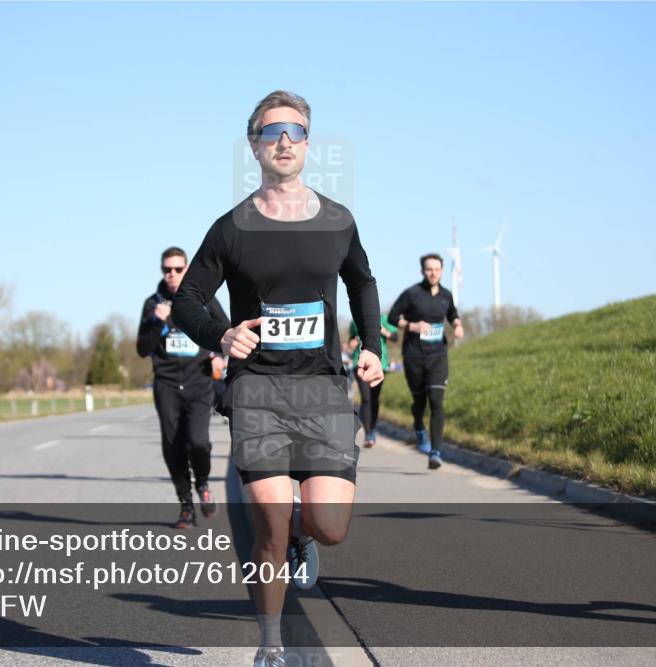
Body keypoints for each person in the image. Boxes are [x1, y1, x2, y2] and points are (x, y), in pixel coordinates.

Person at [172, 90, 383, 667]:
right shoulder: (232, 227)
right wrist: (221, 334)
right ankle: (270, 644)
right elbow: (189, 297)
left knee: (330, 524)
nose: (284, 140)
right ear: (254, 146)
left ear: (309, 144)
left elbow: (362, 283)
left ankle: (304, 537)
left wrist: (372, 345)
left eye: (295, 130)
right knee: (269, 518)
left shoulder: (338, 220)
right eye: (272, 131)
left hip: (322, 387)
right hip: (257, 389)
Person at [137, 247, 230, 528]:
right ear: (162, 271)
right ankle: (186, 505)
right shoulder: (153, 304)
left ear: (187, 269)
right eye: (168, 269)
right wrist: (156, 321)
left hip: (199, 381)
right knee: (172, 446)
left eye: (178, 269)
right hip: (166, 384)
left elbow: (225, 330)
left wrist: (218, 353)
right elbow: (142, 349)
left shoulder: (202, 299)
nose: (173, 274)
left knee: (198, 442)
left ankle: (202, 483)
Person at [387, 253, 464, 469]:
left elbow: (452, 313)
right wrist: (411, 326)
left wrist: (457, 325)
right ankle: (419, 427)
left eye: (437, 269)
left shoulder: (446, 295)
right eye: (429, 269)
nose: (433, 273)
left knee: (437, 401)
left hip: (438, 355)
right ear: (423, 271)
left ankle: (436, 452)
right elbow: (393, 316)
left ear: (441, 271)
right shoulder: (412, 294)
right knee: (419, 401)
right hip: (414, 355)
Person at [347, 315, 398, 447]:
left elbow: (395, 337)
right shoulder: (355, 320)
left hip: (380, 364)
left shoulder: (384, 319)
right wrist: (352, 342)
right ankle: (368, 433)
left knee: (374, 398)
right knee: (366, 398)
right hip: (359, 363)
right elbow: (351, 339)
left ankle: (372, 429)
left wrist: (382, 331)